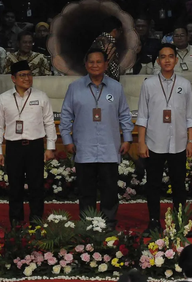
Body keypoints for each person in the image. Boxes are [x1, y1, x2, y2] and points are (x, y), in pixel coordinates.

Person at [60, 48, 134, 231]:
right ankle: (88, 223)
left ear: (106, 65)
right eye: (91, 62)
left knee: (110, 190)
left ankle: (108, 223)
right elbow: (65, 116)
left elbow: (124, 115)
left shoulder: (116, 88)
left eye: (99, 62)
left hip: (110, 148)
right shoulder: (74, 87)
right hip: (83, 148)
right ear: (86, 65)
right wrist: (67, 140)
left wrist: (127, 139)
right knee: (86, 191)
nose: (95, 65)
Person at [136, 43, 192, 238]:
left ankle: (180, 223)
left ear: (176, 60)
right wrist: (141, 142)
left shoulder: (185, 85)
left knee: (178, 185)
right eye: (163, 56)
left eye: (171, 56)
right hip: (154, 142)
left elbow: (189, 116)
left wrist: (191, 140)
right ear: (158, 61)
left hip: (178, 142)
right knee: (153, 184)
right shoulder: (149, 84)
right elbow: (143, 115)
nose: (167, 60)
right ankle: (154, 222)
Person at [0, 60, 57, 225]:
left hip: (35, 146)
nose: (27, 78)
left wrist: (50, 147)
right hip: (14, 147)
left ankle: (36, 222)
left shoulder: (40, 96)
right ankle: (16, 222)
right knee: (15, 187)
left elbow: (49, 123)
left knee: (36, 187)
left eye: (29, 75)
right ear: (13, 78)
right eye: (22, 75)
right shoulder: (3, 98)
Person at [91, 16, 123, 81]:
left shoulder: (96, 41)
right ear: (115, 31)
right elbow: (114, 72)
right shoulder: (111, 45)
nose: (121, 34)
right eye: (120, 31)